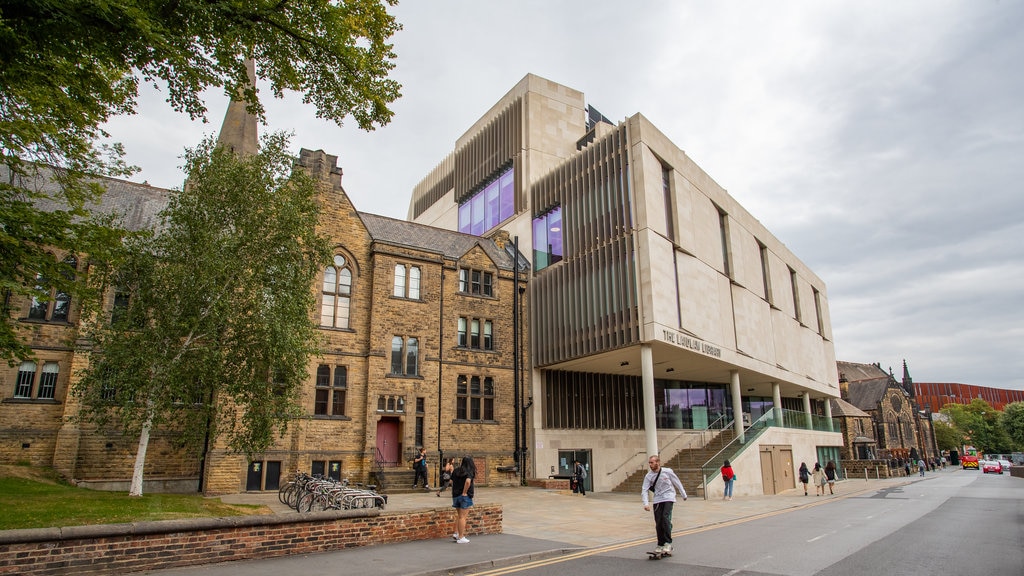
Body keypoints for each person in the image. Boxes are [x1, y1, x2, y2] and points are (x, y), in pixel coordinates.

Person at [641, 455, 687, 556]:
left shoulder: (668, 471)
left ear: (658, 462)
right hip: (657, 499)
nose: (650, 465)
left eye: (652, 462)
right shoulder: (648, 476)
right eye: (649, 463)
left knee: (665, 518)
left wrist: (683, 494)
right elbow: (644, 490)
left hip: (669, 497)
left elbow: (677, 482)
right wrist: (646, 503)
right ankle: (660, 544)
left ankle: (668, 543)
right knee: (658, 522)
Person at [450, 456, 477, 544]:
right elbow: (468, 481)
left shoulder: (456, 470)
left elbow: (451, 481)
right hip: (464, 496)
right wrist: (465, 492)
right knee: (463, 517)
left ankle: (456, 533)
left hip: (455, 495)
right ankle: (461, 537)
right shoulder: (469, 471)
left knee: (459, 515)